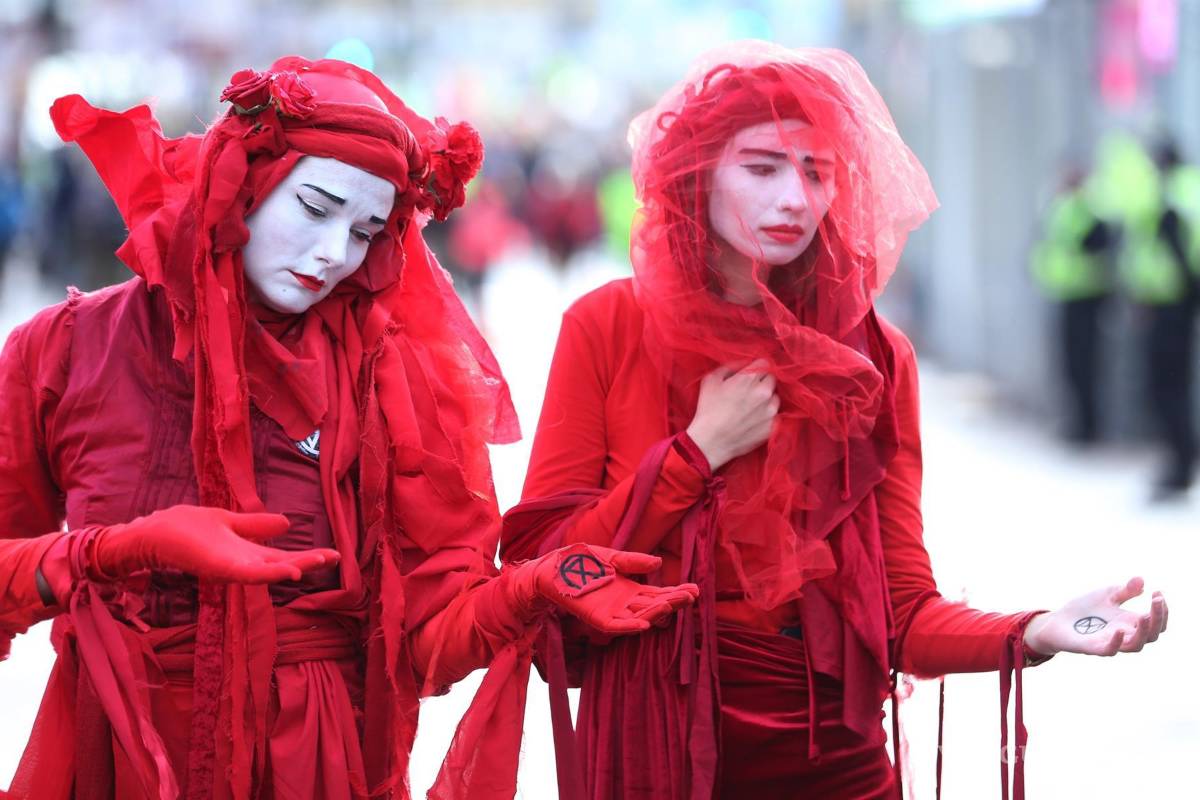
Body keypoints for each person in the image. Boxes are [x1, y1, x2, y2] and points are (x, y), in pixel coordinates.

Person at [0, 57, 698, 800]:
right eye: (315, 206)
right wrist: (112, 552)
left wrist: (530, 589)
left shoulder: (390, 383)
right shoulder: (65, 348)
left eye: (365, 231)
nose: (335, 253)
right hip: (109, 758)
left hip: (311, 770)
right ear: (243, 182)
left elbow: (424, 643)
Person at [502, 43, 1168, 800]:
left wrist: (1034, 630)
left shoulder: (872, 358)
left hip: (834, 760)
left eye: (817, 172)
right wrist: (696, 454)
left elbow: (902, 615)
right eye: (762, 168)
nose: (794, 198)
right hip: (655, 754)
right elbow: (542, 570)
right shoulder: (606, 326)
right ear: (696, 173)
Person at [1120, 137, 1198, 498]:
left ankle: (1180, 467)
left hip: (1171, 307)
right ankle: (1180, 463)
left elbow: (1178, 258)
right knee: (1173, 387)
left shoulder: (1171, 198)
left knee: (1168, 388)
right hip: (1175, 306)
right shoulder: (1186, 190)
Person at [1031, 165, 1115, 443]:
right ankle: (1080, 425)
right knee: (1073, 365)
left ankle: (1087, 428)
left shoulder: (1086, 210)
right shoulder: (1068, 208)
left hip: (1085, 297)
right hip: (1069, 294)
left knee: (1083, 365)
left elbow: (1096, 249)